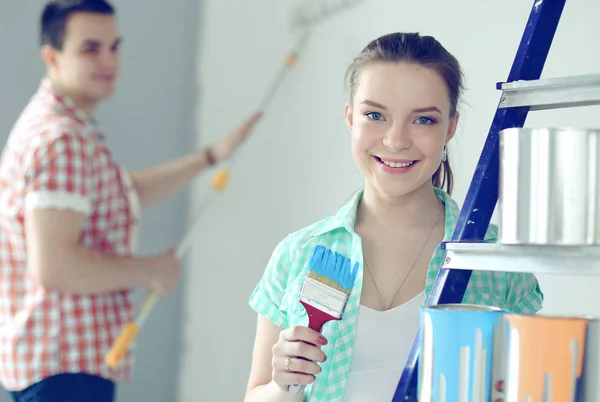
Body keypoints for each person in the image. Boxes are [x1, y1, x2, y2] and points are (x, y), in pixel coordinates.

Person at [244, 32, 543, 402]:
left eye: (423, 120)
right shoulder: (298, 253)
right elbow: (256, 395)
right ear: (351, 118)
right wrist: (281, 385)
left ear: (450, 126)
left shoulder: (495, 258)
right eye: (375, 115)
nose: (396, 140)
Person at [0, 1, 262, 401]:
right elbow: (56, 267)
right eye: (91, 48)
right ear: (52, 57)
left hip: (57, 368)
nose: (109, 60)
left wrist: (211, 156)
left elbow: (122, 195)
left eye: (114, 46)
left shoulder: (66, 128)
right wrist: (150, 270)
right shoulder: (60, 140)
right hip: (62, 373)